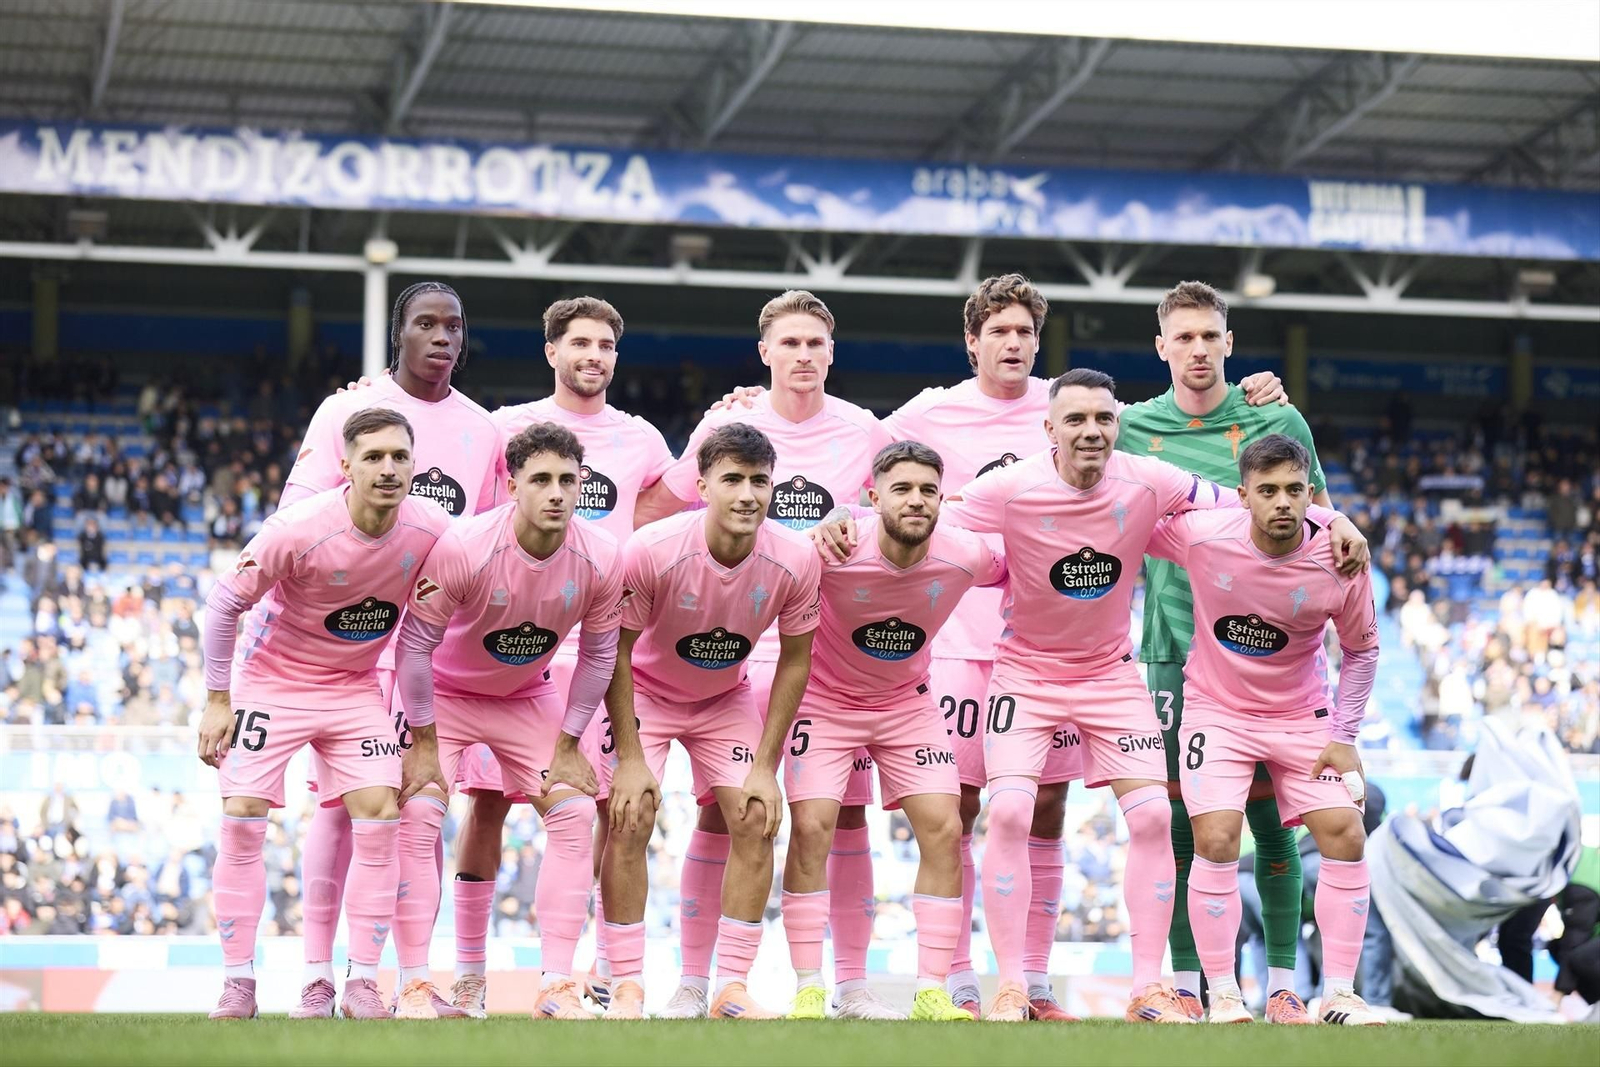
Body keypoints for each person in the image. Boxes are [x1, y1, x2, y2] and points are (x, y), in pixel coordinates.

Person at [736, 274, 1289, 1018]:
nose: (1013, 343)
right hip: (958, 639)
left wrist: (1251, 392)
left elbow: (1185, 439)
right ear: (973, 341)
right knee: (964, 810)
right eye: (998, 331)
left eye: (1026, 331)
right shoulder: (930, 412)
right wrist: (748, 407)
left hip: (1074, 649)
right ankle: (963, 978)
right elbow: (870, 470)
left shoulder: (1080, 407)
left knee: (1051, 809)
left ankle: (1035, 981)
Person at [919, 369, 1366, 1023]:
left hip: (1110, 675)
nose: (1092, 430)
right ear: (1049, 430)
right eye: (1076, 419)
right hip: (1027, 674)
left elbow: (1235, 500)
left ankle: (1148, 987)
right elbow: (934, 515)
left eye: (1103, 417)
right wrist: (867, 534)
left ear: (1116, 425)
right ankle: (1012, 984)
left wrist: (1334, 516)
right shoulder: (1011, 487)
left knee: (1156, 819)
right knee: (1010, 812)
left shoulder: (1148, 479)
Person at [632, 291, 896, 1019]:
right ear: (765, 353)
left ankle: (849, 984)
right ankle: (697, 980)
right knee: (726, 812)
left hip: (828, 648)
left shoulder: (866, 431)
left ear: (832, 353)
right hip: (730, 649)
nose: (805, 354)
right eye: (791, 342)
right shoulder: (728, 422)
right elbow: (660, 509)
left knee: (841, 815)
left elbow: (910, 500)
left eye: (817, 342)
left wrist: (860, 523)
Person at [278, 282, 502, 1019]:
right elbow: (296, 520)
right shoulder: (348, 409)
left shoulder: (484, 429)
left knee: (421, 815)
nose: (442, 337)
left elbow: (487, 541)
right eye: (425, 323)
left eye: (454, 326)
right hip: (348, 652)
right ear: (398, 334)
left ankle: (406, 978)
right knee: (341, 811)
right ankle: (320, 974)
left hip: (429, 654)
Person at [1117, 280, 1335, 1022]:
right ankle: (1187, 984)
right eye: (1184, 337)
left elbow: (1323, 516)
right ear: (1162, 347)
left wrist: (1353, 526)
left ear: (1230, 342)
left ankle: (1280, 984)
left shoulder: (1275, 417)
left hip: (1275, 659)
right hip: (1175, 653)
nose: (1199, 349)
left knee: (1274, 824)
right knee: (1185, 825)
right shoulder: (1131, 427)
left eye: (1211, 335)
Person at [197, 407, 451, 1020]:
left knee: (381, 812)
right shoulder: (298, 528)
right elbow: (224, 604)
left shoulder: (434, 530)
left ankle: (360, 982)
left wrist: (423, 733)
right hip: (272, 682)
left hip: (354, 686)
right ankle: (239, 984)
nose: (388, 469)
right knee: (242, 815)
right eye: (373, 457)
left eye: (399, 457)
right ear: (346, 467)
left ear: (415, 465)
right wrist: (216, 698)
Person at [1143, 433, 1383, 1026]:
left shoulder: (1341, 559)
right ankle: (1223, 994)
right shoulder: (1204, 536)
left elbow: (1363, 649)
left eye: (1295, 491)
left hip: (1301, 718)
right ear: (1242, 496)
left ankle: (1341, 996)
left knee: (1346, 835)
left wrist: (1344, 736)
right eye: (1268, 491)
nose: (1283, 503)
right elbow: (1130, 523)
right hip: (1216, 713)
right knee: (1217, 839)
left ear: (1309, 493)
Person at [392, 422, 624, 1019]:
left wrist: (571, 741)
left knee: (573, 813)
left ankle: (554, 987)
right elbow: (413, 648)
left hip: (526, 694)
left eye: (567, 481)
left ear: (582, 487)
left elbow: (599, 654)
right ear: (511, 482)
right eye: (540, 479)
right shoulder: (467, 546)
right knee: (419, 809)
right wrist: (421, 740)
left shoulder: (601, 557)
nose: (555, 493)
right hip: (442, 695)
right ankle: (418, 985)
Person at [484, 296, 673, 1008]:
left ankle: (600, 968)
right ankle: (471, 971)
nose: (595, 355)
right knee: (485, 809)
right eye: (581, 342)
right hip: (508, 654)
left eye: (606, 345)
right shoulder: (506, 428)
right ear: (552, 351)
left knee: (600, 812)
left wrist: (730, 404)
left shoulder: (643, 440)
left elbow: (675, 506)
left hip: (598, 653)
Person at [599, 423, 821, 1020]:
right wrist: (629, 757)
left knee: (755, 816)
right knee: (630, 813)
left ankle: (730, 988)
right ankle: (625, 984)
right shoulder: (652, 548)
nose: (748, 494)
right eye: (732, 480)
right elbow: (614, 652)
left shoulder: (795, 558)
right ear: (702, 486)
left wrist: (768, 768)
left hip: (725, 697)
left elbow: (796, 661)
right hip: (646, 691)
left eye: (759, 481)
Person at [783, 441, 1000, 1022]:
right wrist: (831, 521)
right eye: (901, 489)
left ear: (942, 499)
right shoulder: (832, 550)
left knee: (946, 825)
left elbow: (1025, 566)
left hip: (907, 703)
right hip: (824, 703)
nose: (916, 501)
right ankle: (808, 987)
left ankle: (931, 992)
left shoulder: (964, 554)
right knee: (810, 826)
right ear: (873, 497)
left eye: (928, 490)